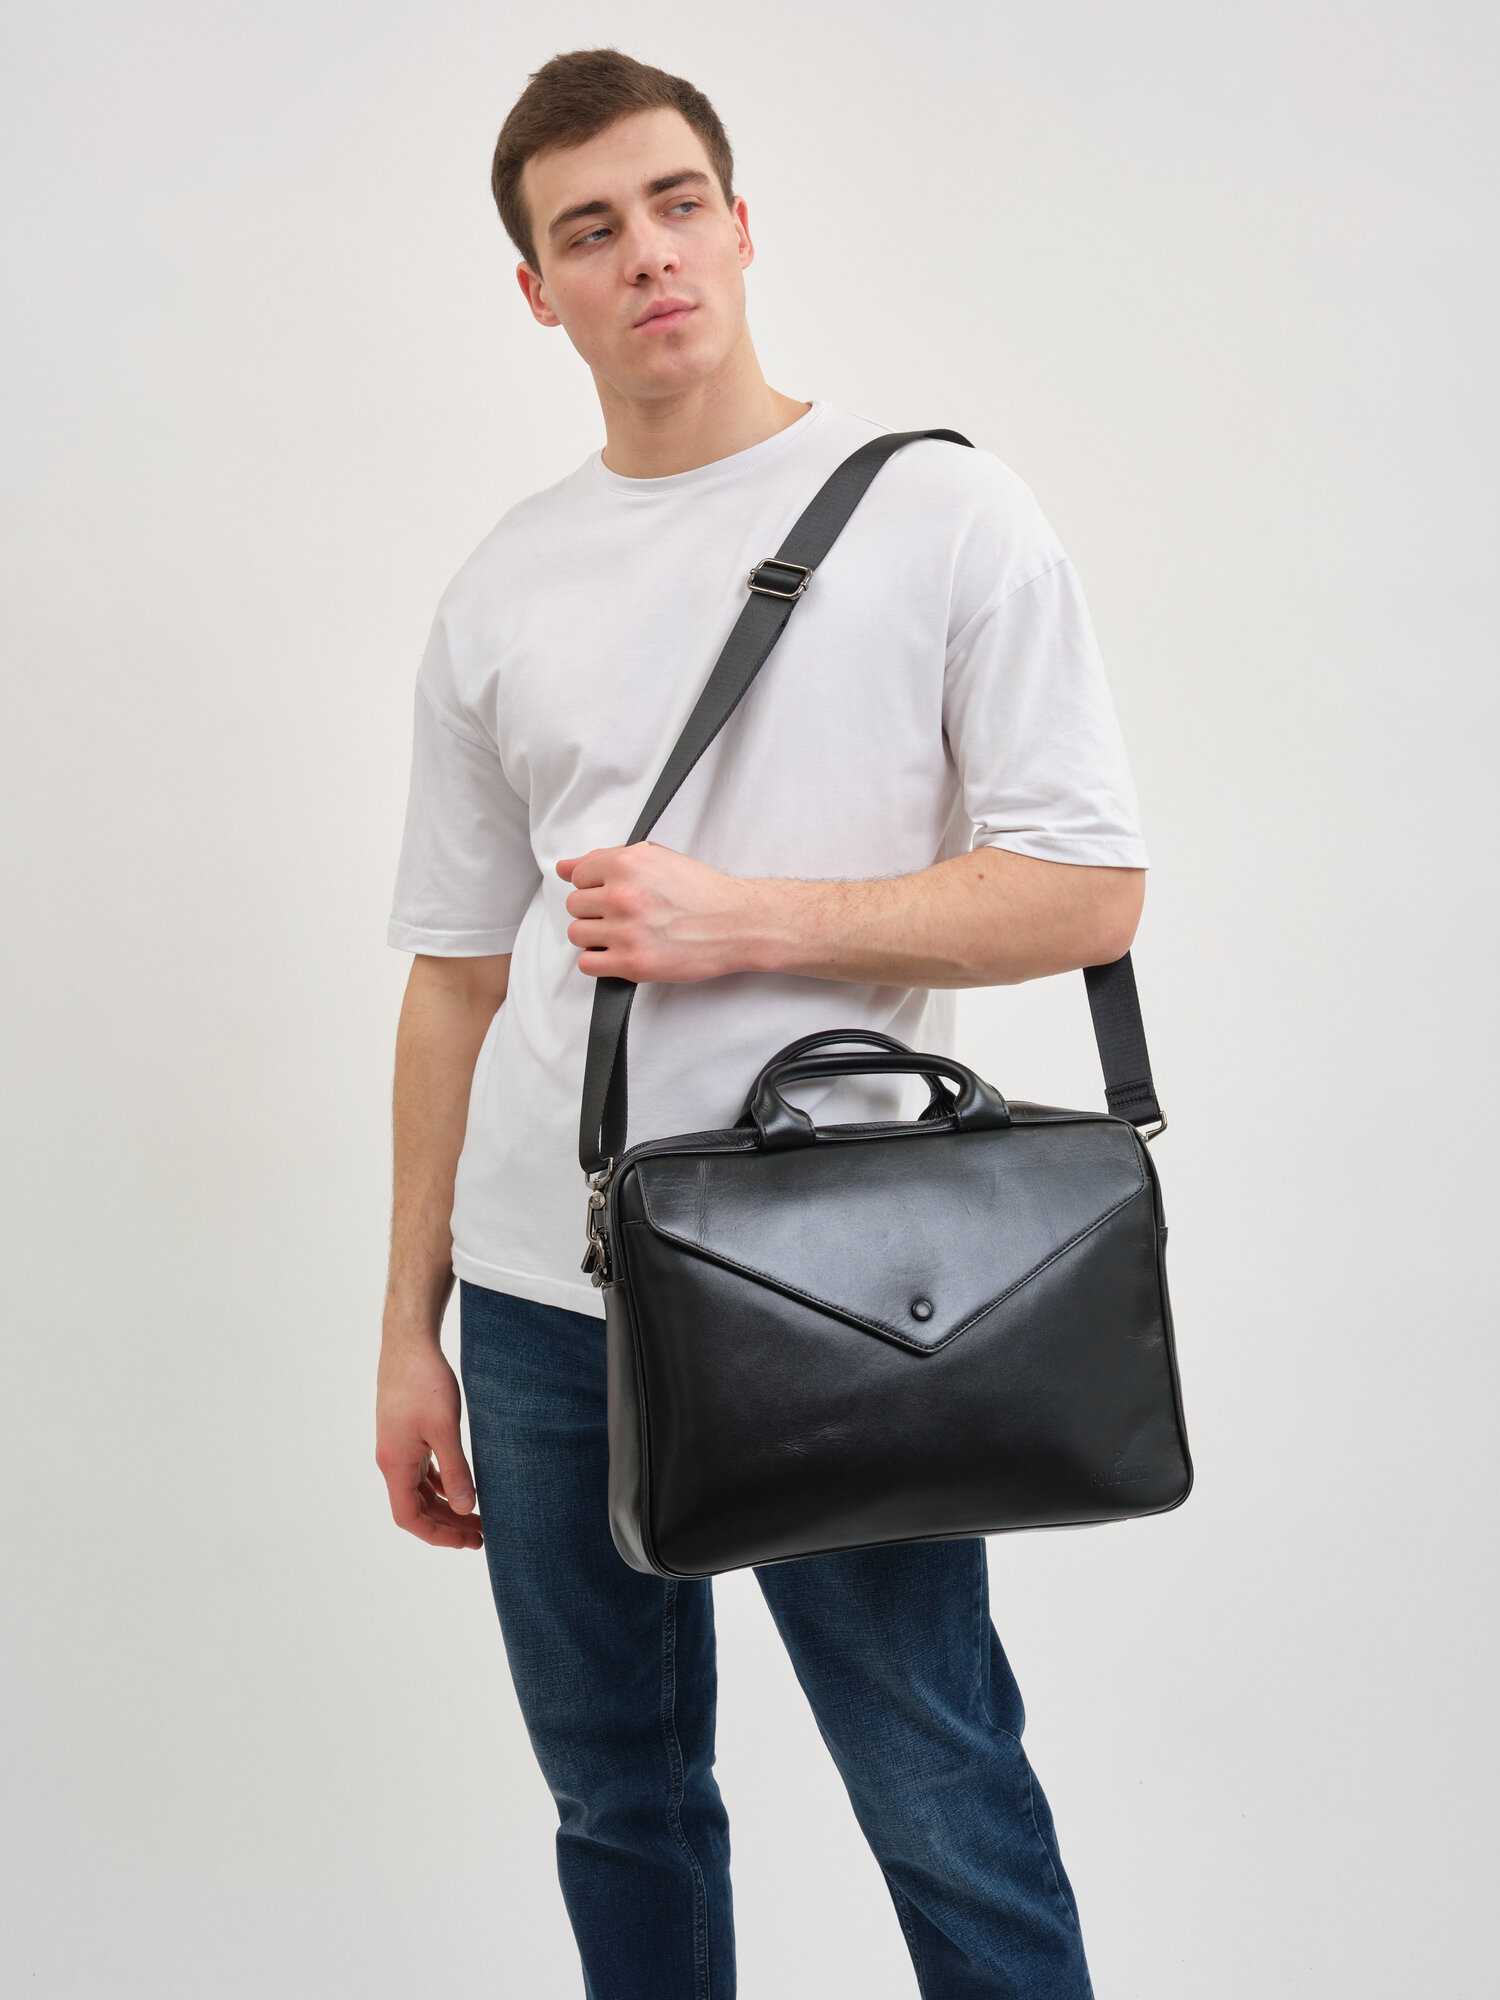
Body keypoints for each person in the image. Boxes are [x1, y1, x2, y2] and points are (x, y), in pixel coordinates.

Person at [377, 45, 1148, 2000]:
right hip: (542, 1296)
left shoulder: (944, 514)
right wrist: (408, 1328)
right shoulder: (501, 585)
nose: (645, 253)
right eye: (589, 229)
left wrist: (744, 923)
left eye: (674, 204)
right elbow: (457, 975)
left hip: (831, 1279)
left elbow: (1088, 888)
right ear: (536, 290)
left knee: (940, 1789)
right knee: (618, 1801)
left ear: (740, 226)